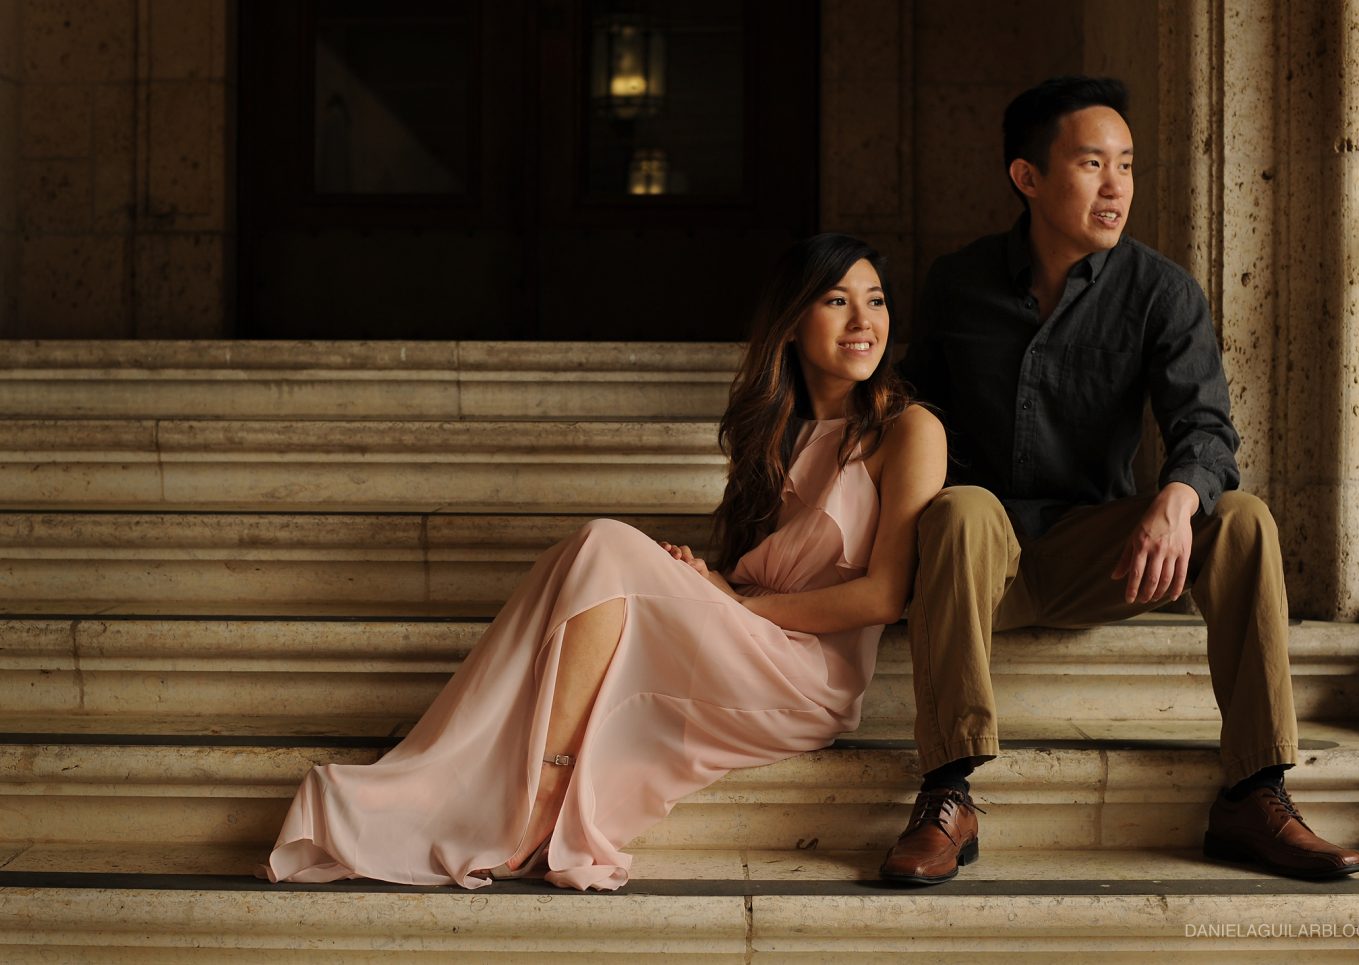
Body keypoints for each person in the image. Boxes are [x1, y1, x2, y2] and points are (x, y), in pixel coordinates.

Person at [260, 234, 946, 891]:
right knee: (587, 556)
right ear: (793, 322)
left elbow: (885, 595)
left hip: (810, 676)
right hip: (752, 636)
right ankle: (478, 777)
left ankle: (547, 789)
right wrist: (705, 584)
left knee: (604, 543)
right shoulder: (769, 433)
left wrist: (737, 606)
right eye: (837, 299)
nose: (864, 319)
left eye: (877, 299)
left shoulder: (908, 430)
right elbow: (757, 570)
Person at [880, 76, 1359, 884]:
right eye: (1092, 164)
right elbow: (909, 414)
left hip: (1103, 551)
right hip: (979, 556)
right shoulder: (958, 283)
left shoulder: (1161, 291)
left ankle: (1255, 789)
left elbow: (1207, 431)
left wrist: (1177, 500)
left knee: (1241, 516)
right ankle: (947, 792)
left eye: (1127, 166)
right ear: (1027, 177)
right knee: (961, 509)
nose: (1117, 188)